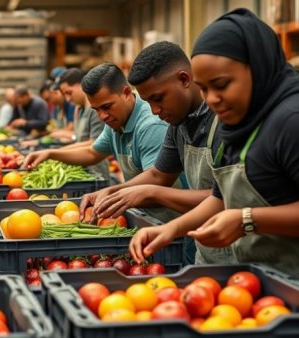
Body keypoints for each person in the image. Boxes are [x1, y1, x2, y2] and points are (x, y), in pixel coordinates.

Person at [130, 9, 299, 277]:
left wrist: (246, 220)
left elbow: (237, 211)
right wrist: (171, 229)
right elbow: (221, 198)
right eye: (205, 88)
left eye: (221, 85)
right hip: (260, 284)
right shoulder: (236, 124)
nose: (211, 99)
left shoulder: (290, 120)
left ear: (256, 67)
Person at [82, 42, 231, 264]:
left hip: (239, 254)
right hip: (207, 252)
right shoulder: (177, 123)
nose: (154, 111)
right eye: (148, 101)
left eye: (158, 98)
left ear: (184, 80)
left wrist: (151, 193)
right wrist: (114, 191)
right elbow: (159, 174)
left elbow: (226, 199)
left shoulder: (223, 124)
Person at [24, 63, 180, 221]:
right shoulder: (115, 121)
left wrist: (112, 192)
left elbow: (156, 179)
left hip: (172, 223)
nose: (102, 116)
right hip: (145, 216)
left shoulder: (150, 126)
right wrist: (50, 154)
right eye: (96, 109)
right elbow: (93, 153)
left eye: (106, 107)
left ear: (126, 93)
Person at [55, 68, 110, 179]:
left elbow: (95, 142)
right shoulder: (78, 109)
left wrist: (56, 154)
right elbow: (80, 138)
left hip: (96, 171)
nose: (68, 98)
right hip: (82, 168)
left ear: (81, 84)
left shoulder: (95, 110)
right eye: (65, 95)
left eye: (69, 93)